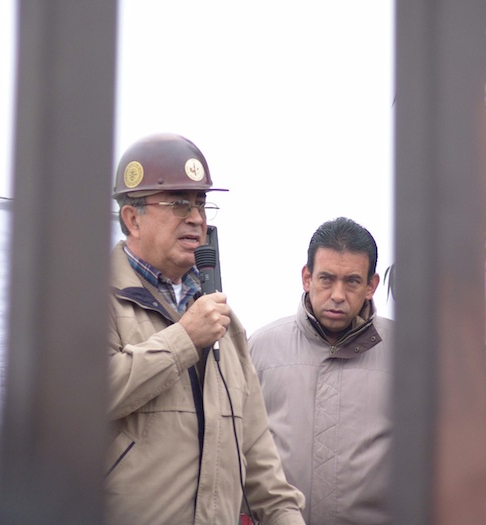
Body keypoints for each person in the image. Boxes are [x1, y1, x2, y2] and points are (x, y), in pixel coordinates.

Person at [105, 133, 305, 525]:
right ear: (132, 218)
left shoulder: (223, 323)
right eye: (179, 203)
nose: (196, 218)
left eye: (200, 203)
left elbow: (259, 458)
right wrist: (183, 338)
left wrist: (286, 516)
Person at [249, 217, 395, 525]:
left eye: (352, 281)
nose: (338, 295)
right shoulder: (259, 349)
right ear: (307, 277)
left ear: (371, 285)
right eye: (326, 279)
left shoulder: (406, 354)